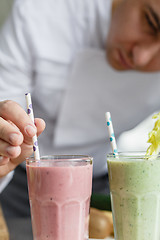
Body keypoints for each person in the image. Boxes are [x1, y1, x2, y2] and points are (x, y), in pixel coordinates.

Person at [0, 0, 160, 217]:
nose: (141, 56)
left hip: (102, 185)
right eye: (150, 22)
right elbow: (5, 107)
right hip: (20, 177)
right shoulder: (40, 10)